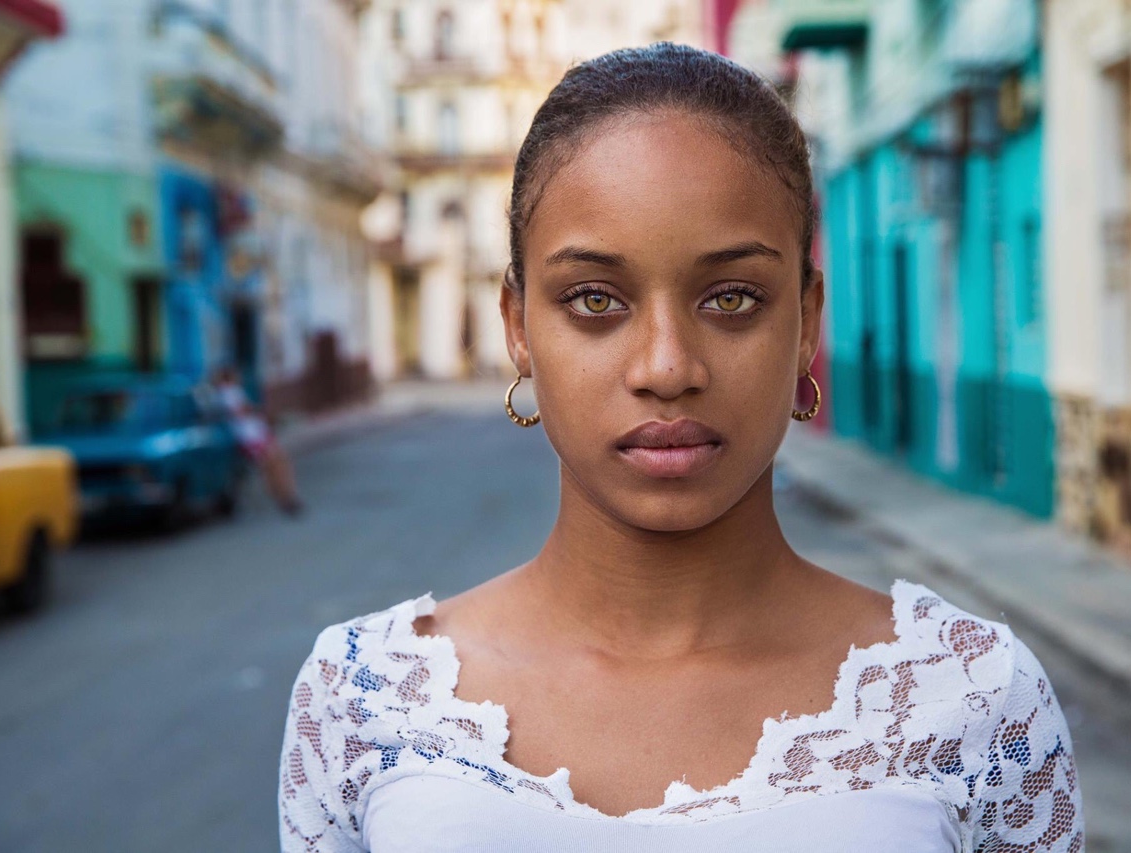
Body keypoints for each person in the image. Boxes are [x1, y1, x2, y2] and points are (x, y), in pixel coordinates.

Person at [279, 44, 1083, 851]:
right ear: (519, 326)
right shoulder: (363, 698)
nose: (667, 365)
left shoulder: (974, 699)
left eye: (732, 297)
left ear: (806, 322)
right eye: (595, 299)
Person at [212, 366, 303, 517]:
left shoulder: (230, 392)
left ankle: (285, 495)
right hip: (250, 436)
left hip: (255, 433)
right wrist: (256, 412)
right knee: (273, 464)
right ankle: (285, 496)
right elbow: (240, 412)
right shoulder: (228, 393)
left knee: (276, 463)